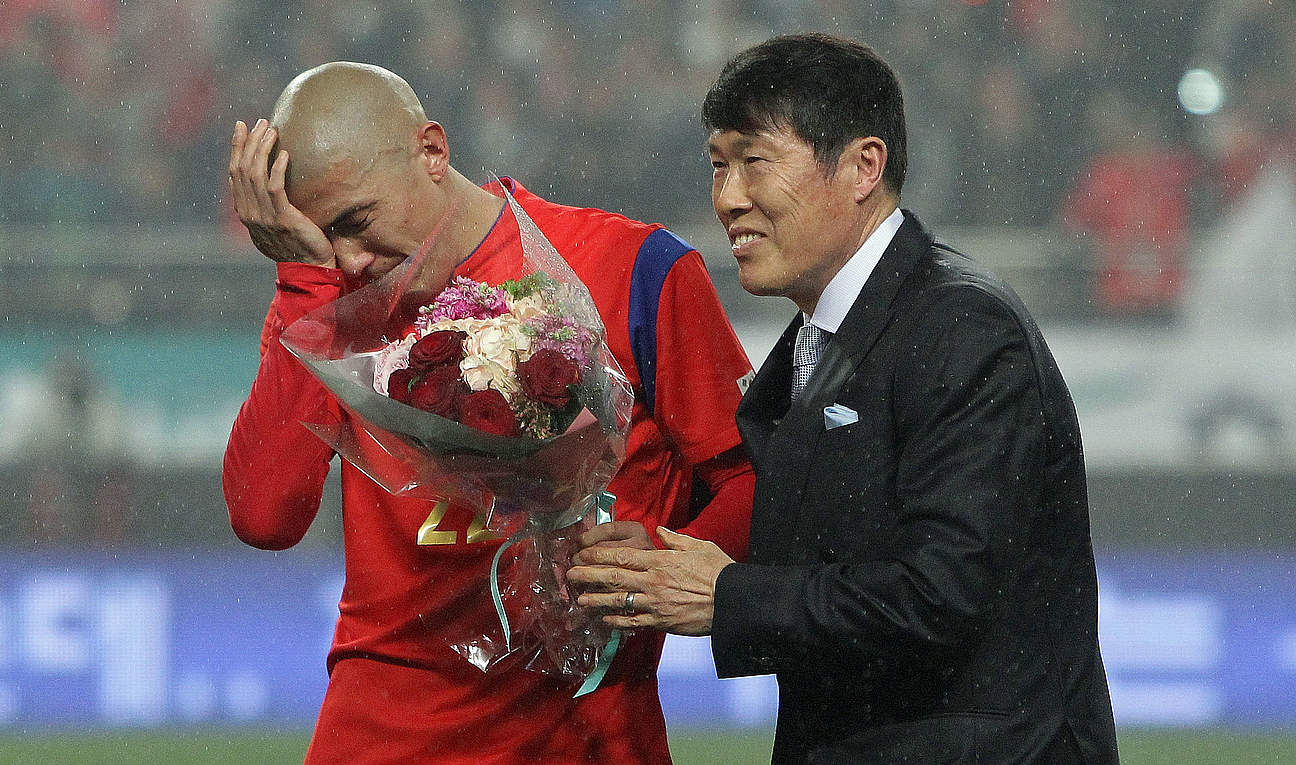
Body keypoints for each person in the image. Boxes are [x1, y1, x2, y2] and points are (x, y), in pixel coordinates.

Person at [569, 34, 1120, 764]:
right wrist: (673, 557)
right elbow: (840, 544)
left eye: (755, 161)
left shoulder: (963, 328)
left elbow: (945, 594)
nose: (728, 198)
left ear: (864, 167)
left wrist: (727, 597)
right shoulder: (827, 335)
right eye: (718, 164)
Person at [221, 61, 756, 765]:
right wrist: (301, 281)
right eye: (322, 238)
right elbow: (265, 517)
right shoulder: (327, 299)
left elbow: (752, 482)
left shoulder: (631, 268)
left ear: (432, 150)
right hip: (380, 740)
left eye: (357, 222)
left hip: (587, 739)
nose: (349, 259)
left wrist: (657, 561)